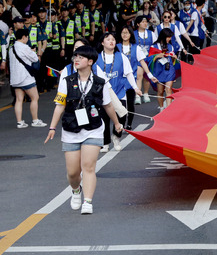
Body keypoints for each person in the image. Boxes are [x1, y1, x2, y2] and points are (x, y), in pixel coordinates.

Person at [45, 45, 123, 215]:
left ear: (90, 61)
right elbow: (60, 106)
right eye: (75, 57)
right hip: (71, 129)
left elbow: (108, 105)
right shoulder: (66, 81)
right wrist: (52, 127)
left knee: (88, 167)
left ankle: (88, 201)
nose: (76, 60)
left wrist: (116, 123)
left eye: (80, 57)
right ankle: (75, 190)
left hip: (94, 128)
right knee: (73, 172)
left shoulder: (100, 83)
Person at [96, 32, 141, 152]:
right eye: (108, 39)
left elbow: (129, 74)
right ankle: (105, 143)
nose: (111, 41)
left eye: (113, 39)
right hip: (103, 94)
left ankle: (116, 137)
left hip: (120, 92)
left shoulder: (121, 57)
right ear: (102, 43)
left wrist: (135, 88)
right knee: (104, 119)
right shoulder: (96, 58)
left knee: (122, 116)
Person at [9, 29, 47, 129]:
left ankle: (20, 122)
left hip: (15, 79)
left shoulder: (11, 48)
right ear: (24, 37)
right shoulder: (24, 47)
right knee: (35, 97)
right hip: (25, 77)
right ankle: (35, 120)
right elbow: (35, 59)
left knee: (19, 99)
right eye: (27, 37)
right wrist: (32, 52)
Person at [118, 25, 151, 130]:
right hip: (118, 81)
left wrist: (149, 75)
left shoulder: (136, 48)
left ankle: (129, 124)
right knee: (120, 105)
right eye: (123, 32)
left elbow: (142, 62)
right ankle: (121, 123)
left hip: (130, 80)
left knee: (130, 103)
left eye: (127, 32)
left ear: (131, 34)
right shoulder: (116, 47)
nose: (125, 35)